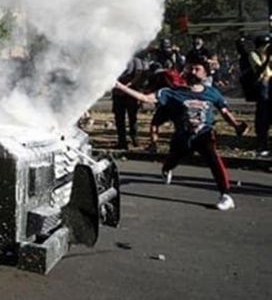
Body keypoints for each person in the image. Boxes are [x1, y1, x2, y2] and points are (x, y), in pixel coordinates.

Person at [114, 58, 249, 211]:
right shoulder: (172, 93)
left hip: (204, 134)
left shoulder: (212, 93)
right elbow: (145, 98)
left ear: (205, 75)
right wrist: (120, 86)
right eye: (190, 68)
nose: (192, 71)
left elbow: (225, 112)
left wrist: (236, 125)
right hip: (182, 137)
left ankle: (226, 195)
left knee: (214, 159)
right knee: (172, 160)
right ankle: (167, 169)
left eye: (196, 69)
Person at [112, 52, 147, 149]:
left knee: (132, 118)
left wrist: (127, 86)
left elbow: (138, 74)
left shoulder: (135, 59)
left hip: (130, 93)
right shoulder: (113, 59)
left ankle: (134, 139)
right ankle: (122, 141)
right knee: (119, 118)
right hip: (117, 93)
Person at [249, 34, 272, 154]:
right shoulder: (254, 54)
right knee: (263, 112)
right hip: (263, 84)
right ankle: (262, 142)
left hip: (271, 82)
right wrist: (267, 58)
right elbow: (259, 70)